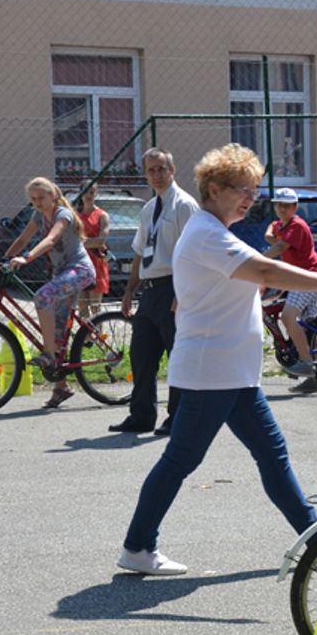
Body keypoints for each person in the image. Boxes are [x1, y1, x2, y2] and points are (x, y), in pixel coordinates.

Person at [116, 144, 317, 576]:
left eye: (254, 190)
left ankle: (316, 539)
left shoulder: (216, 232)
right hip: (213, 372)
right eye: (241, 189)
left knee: (271, 454)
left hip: (232, 372)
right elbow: (265, 273)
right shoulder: (207, 232)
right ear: (214, 189)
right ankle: (138, 546)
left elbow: (243, 280)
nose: (251, 198)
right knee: (181, 460)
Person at [108, 148, 198, 437]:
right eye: (151, 170)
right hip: (150, 290)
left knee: (177, 357)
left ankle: (179, 418)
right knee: (142, 355)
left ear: (172, 170)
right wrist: (129, 291)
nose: (157, 175)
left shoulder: (184, 205)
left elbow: (193, 252)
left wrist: (182, 292)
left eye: (161, 169)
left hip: (174, 286)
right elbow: (139, 253)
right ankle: (141, 415)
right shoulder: (149, 208)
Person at [5, 177, 96, 409]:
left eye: (41, 198)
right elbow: (23, 238)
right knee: (57, 332)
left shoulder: (62, 214)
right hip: (61, 275)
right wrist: (3, 259)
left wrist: (27, 257)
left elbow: (51, 238)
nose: (37, 202)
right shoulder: (38, 216)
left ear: (53, 196)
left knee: (42, 297)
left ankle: (47, 354)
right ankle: (61, 387)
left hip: (79, 270)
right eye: (33, 199)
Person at [262, 187, 317, 394]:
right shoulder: (281, 224)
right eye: (279, 205)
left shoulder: (297, 226)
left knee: (288, 316)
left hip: (308, 279)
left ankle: (306, 361)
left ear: (295, 207)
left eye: (287, 205)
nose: (282, 208)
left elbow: (280, 248)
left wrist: (258, 261)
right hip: (297, 280)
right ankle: (316, 379)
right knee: (309, 327)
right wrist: (276, 238)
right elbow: (268, 234)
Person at [77, 183, 111, 320]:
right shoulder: (76, 216)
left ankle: (98, 337)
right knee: (82, 306)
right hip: (79, 262)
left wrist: (79, 242)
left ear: (96, 194)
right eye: (85, 192)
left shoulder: (102, 215)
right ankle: (85, 339)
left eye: (91, 192)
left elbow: (100, 241)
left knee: (95, 307)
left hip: (96, 263)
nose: (88, 195)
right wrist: (90, 242)